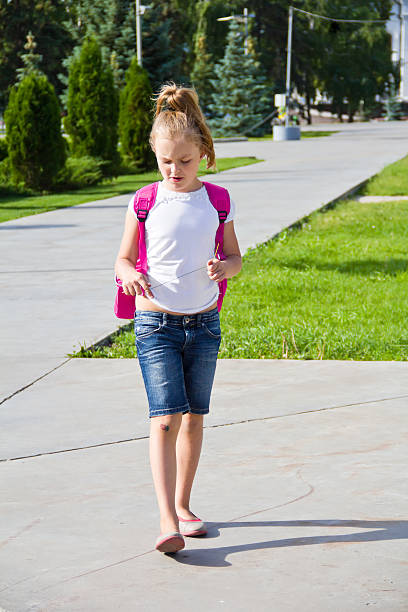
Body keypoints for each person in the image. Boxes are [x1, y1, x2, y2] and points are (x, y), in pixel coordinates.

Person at [115, 82, 242, 554]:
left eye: (184, 161)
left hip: (204, 325)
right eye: (166, 160)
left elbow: (234, 256)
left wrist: (224, 266)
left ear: (202, 154)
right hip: (155, 324)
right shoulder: (144, 201)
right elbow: (122, 260)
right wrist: (128, 275)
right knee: (165, 417)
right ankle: (166, 518)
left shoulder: (219, 200)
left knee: (193, 418)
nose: (174, 169)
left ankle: (185, 507)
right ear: (155, 152)